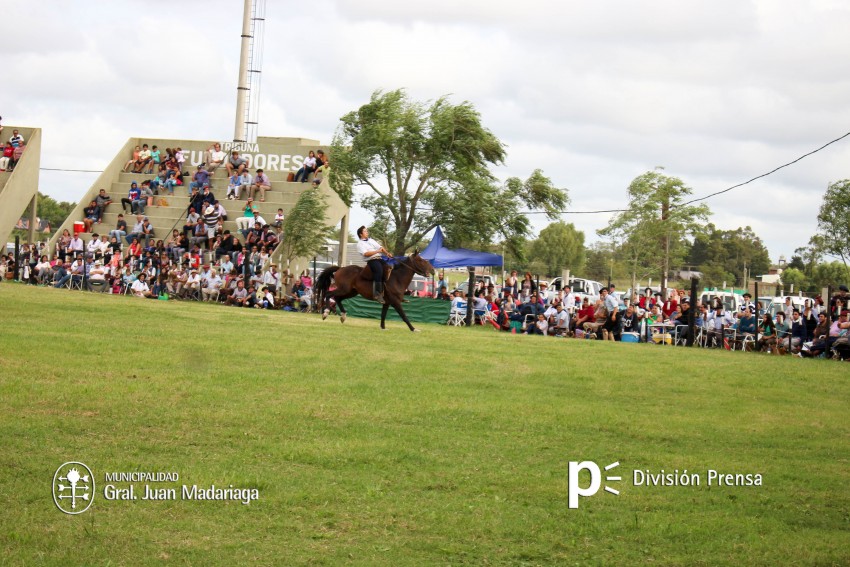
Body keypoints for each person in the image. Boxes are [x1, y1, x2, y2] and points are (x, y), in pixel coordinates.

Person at [356, 225, 391, 304]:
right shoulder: (360, 244)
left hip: (379, 258)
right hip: (372, 260)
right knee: (379, 272)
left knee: (389, 268)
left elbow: (381, 247)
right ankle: (377, 294)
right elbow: (366, 254)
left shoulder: (371, 240)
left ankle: (390, 292)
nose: (367, 232)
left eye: (367, 231)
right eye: (365, 231)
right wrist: (377, 251)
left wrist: (387, 253)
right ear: (360, 234)